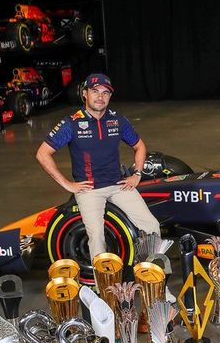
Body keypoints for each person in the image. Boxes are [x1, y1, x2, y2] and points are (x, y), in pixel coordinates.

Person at [35, 73, 161, 260]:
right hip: (90, 190)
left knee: (152, 227)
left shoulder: (117, 120)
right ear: (85, 93)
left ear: (110, 96)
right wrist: (67, 184)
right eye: (95, 91)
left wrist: (137, 174)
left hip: (119, 185)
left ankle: (151, 279)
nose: (100, 97)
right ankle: (103, 288)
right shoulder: (72, 123)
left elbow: (139, 146)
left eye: (105, 93)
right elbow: (42, 153)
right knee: (97, 240)